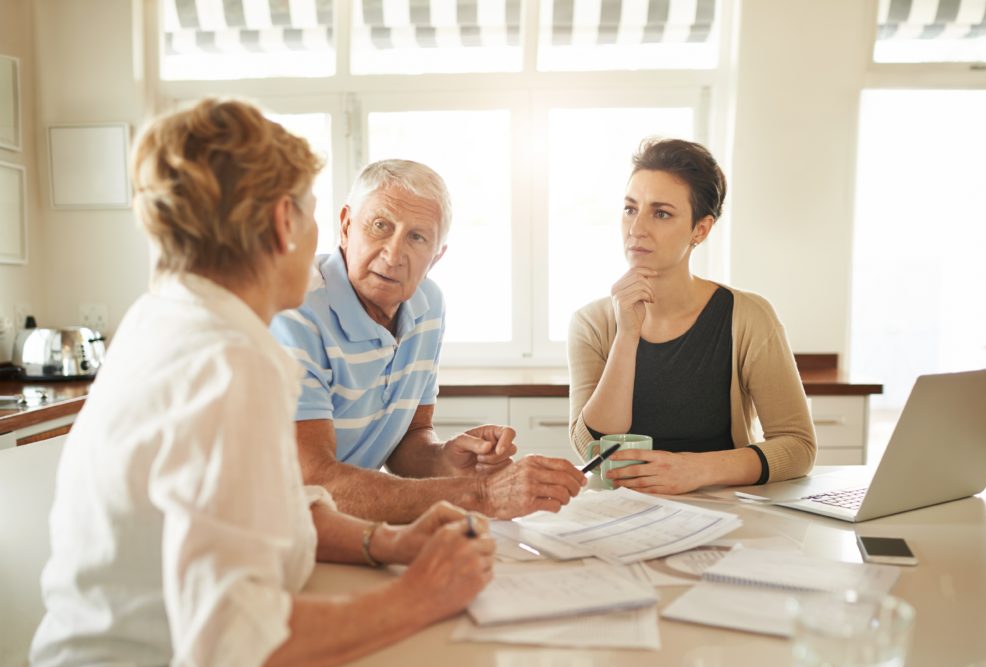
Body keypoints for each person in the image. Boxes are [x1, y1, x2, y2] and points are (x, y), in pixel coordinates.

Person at [29, 99, 496, 667]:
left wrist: (387, 543)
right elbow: (228, 642)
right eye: (311, 209)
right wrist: (418, 599)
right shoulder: (229, 361)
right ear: (286, 221)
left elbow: (263, 507)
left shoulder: (175, 314)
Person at [270, 160, 585, 522]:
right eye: (380, 226)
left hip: (346, 527)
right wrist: (483, 495)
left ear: (436, 256)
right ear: (345, 225)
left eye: (416, 237)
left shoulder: (428, 305)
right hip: (273, 531)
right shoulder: (296, 307)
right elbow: (315, 484)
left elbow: (410, 437)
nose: (393, 254)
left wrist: (444, 459)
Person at [567, 137, 815, 495]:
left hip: (727, 514)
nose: (636, 229)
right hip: (620, 514)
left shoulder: (748, 317)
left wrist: (698, 469)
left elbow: (798, 446)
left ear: (700, 229)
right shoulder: (591, 324)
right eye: (630, 209)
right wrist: (627, 335)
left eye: (661, 213)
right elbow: (594, 450)